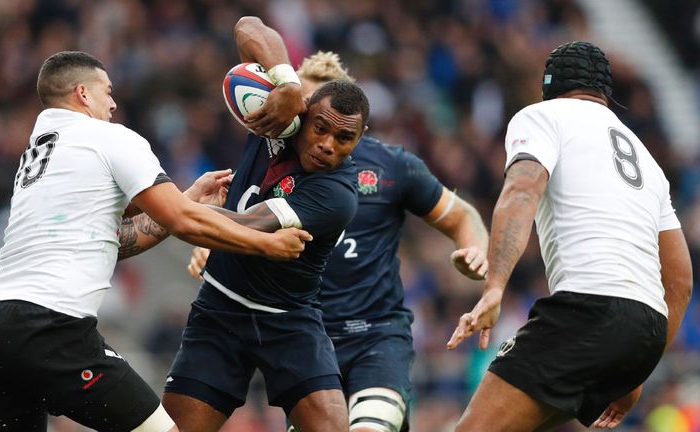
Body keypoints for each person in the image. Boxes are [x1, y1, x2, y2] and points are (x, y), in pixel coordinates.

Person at [0, 51, 311, 432]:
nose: (113, 103)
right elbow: (181, 221)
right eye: (107, 91)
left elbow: (123, 238)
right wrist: (265, 244)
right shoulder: (110, 138)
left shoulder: (40, 155)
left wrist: (187, 196)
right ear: (83, 93)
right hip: (50, 324)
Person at [190, 45, 490, 431]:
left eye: (311, 111)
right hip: (308, 337)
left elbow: (463, 215)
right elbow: (243, 221)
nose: (299, 123)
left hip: (375, 335)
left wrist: (475, 250)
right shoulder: (273, 152)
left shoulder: (392, 167)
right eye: (301, 111)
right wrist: (211, 242)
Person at [446, 41, 693, 431]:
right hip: (645, 330)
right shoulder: (646, 158)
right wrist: (638, 372)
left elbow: (522, 190)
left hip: (587, 311)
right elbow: (679, 280)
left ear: (548, 89)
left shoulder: (542, 116)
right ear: (606, 96)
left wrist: (494, 287)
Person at [158, 20, 371, 431]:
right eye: (321, 128)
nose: (327, 144)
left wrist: (170, 208)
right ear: (305, 114)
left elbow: (247, 226)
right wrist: (287, 84)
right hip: (220, 309)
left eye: (344, 139)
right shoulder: (277, 115)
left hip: (288, 320)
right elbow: (247, 27)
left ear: (360, 140)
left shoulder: (338, 193)